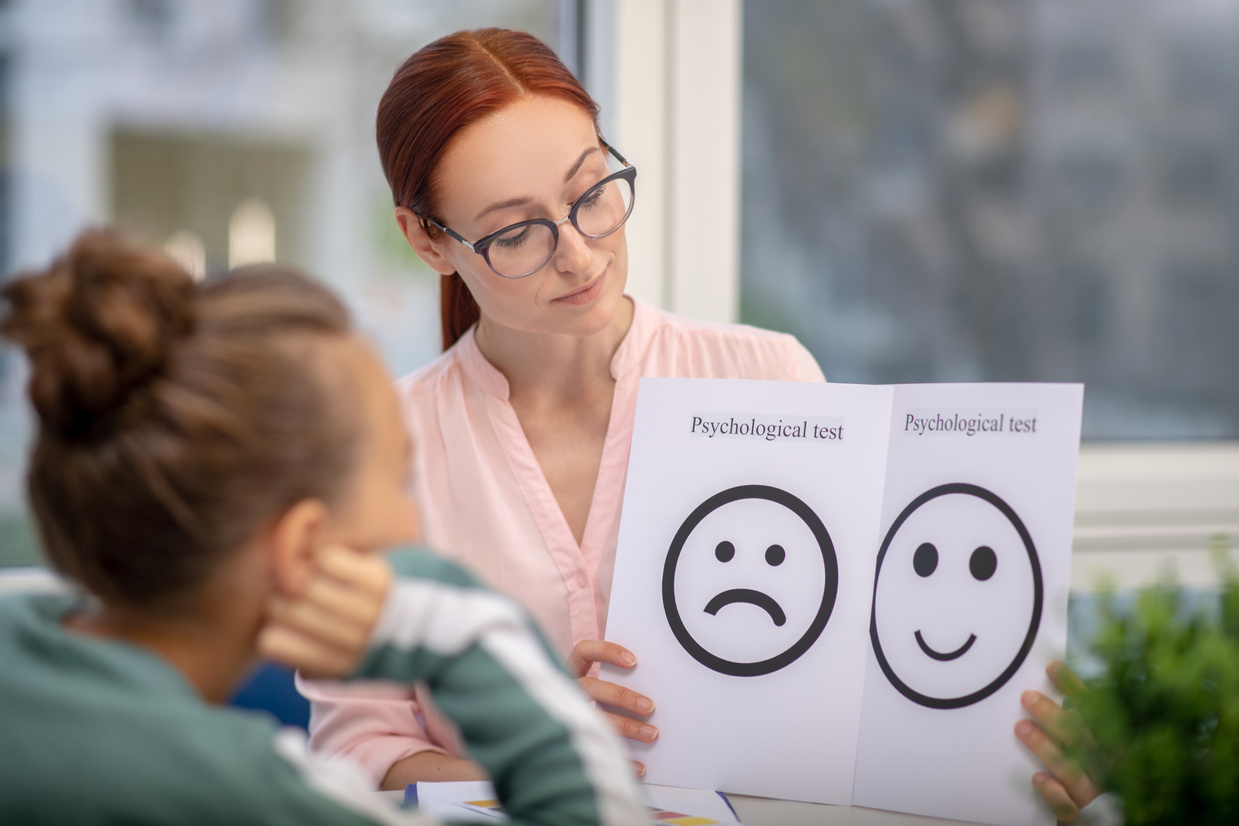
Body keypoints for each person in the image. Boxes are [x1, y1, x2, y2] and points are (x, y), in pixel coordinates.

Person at [297, 26, 826, 790]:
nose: (579, 254)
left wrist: (1002, 747)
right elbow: (355, 754)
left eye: (589, 194)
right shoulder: (380, 451)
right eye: (515, 233)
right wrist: (537, 758)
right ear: (426, 241)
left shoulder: (767, 382)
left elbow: (856, 676)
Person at [0, 229, 646, 826]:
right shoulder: (255, 799)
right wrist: (459, 628)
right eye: (399, 480)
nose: (410, 517)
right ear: (303, 547)